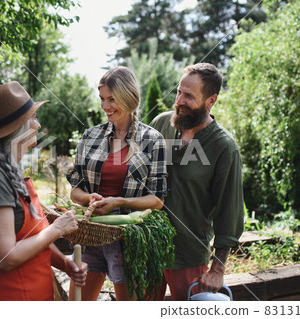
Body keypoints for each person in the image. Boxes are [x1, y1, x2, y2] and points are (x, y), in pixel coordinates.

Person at [0, 81, 87, 301]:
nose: (37, 126)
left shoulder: (9, 171)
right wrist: (56, 230)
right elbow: (6, 257)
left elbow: (34, 239)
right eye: (32, 119)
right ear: (16, 129)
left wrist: (65, 264)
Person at [67, 66, 168, 300]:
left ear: (128, 96)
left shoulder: (153, 140)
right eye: (102, 99)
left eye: (111, 99)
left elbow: (157, 200)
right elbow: (75, 190)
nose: (105, 106)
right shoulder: (90, 137)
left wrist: (119, 202)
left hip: (128, 239)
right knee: (76, 305)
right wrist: (88, 198)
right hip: (91, 234)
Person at [150, 63, 244, 300]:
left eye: (189, 96)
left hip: (188, 256)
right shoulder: (161, 125)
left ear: (211, 101)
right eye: (179, 92)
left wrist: (218, 269)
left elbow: (229, 211)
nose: (179, 101)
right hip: (147, 247)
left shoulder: (223, 147)